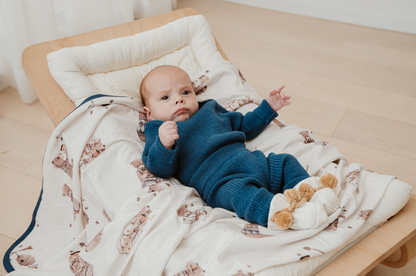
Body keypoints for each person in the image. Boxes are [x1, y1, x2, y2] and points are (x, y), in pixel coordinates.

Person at [140, 65, 321, 228]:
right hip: (222, 183)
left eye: (185, 92)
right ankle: (287, 216)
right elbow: (158, 168)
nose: (178, 100)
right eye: (165, 97)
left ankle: (312, 194)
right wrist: (164, 145)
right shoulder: (158, 130)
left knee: (285, 162)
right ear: (149, 113)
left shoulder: (210, 110)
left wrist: (268, 108)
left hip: (252, 162)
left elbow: (243, 125)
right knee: (243, 195)